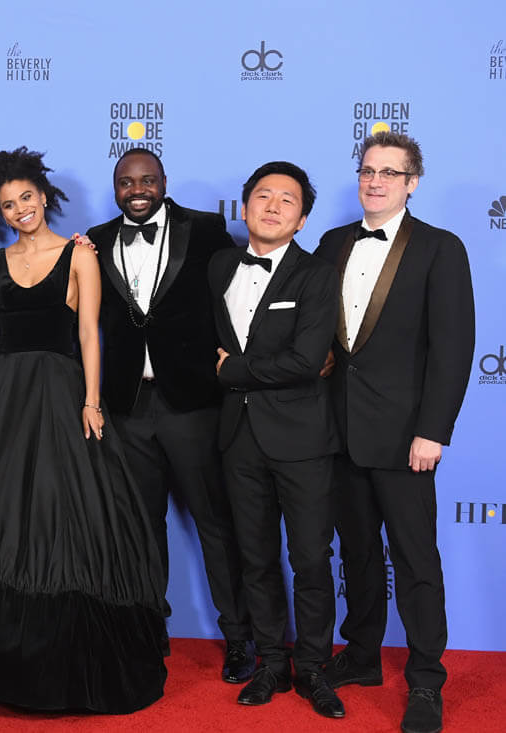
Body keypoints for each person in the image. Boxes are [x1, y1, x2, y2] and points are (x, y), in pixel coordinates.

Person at [0, 147, 166, 713]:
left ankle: (59, 649)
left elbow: (90, 333)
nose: (20, 209)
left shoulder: (80, 255)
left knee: (60, 512)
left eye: (26, 197)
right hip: (0, 399)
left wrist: (91, 401)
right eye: (7, 204)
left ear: (44, 197)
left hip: (62, 394)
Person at [315, 131, 475, 733]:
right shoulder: (332, 242)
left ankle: (426, 679)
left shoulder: (440, 248)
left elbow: (453, 348)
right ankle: (361, 656)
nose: (374, 181)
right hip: (339, 431)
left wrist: (433, 431)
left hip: (407, 437)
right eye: (367, 170)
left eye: (389, 172)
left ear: (412, 183)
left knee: (414, 560)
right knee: (356, 554)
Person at [86, 148, 253, 682]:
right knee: (140, 527)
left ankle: (239, 636)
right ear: (115, 187)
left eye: (147, 180)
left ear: (163, 182)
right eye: (126, 181)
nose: (137, 190)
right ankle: (148, 628)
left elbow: (242, 296)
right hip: (128, 406)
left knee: (215, 524)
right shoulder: (96, 240)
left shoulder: (205, 230)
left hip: (193, 404)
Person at [209, 162, 344, 718]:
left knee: (310, 558)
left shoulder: (316, 275)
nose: (272, 206)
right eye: (262, 196)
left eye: (287, 200)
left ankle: (312, 667)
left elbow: (307, 360)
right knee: (256, 557)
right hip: (237, 437)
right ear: (244, 208)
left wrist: (233, 371)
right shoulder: (220, 265)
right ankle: (270, 662)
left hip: (301, 438)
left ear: (302, 219)